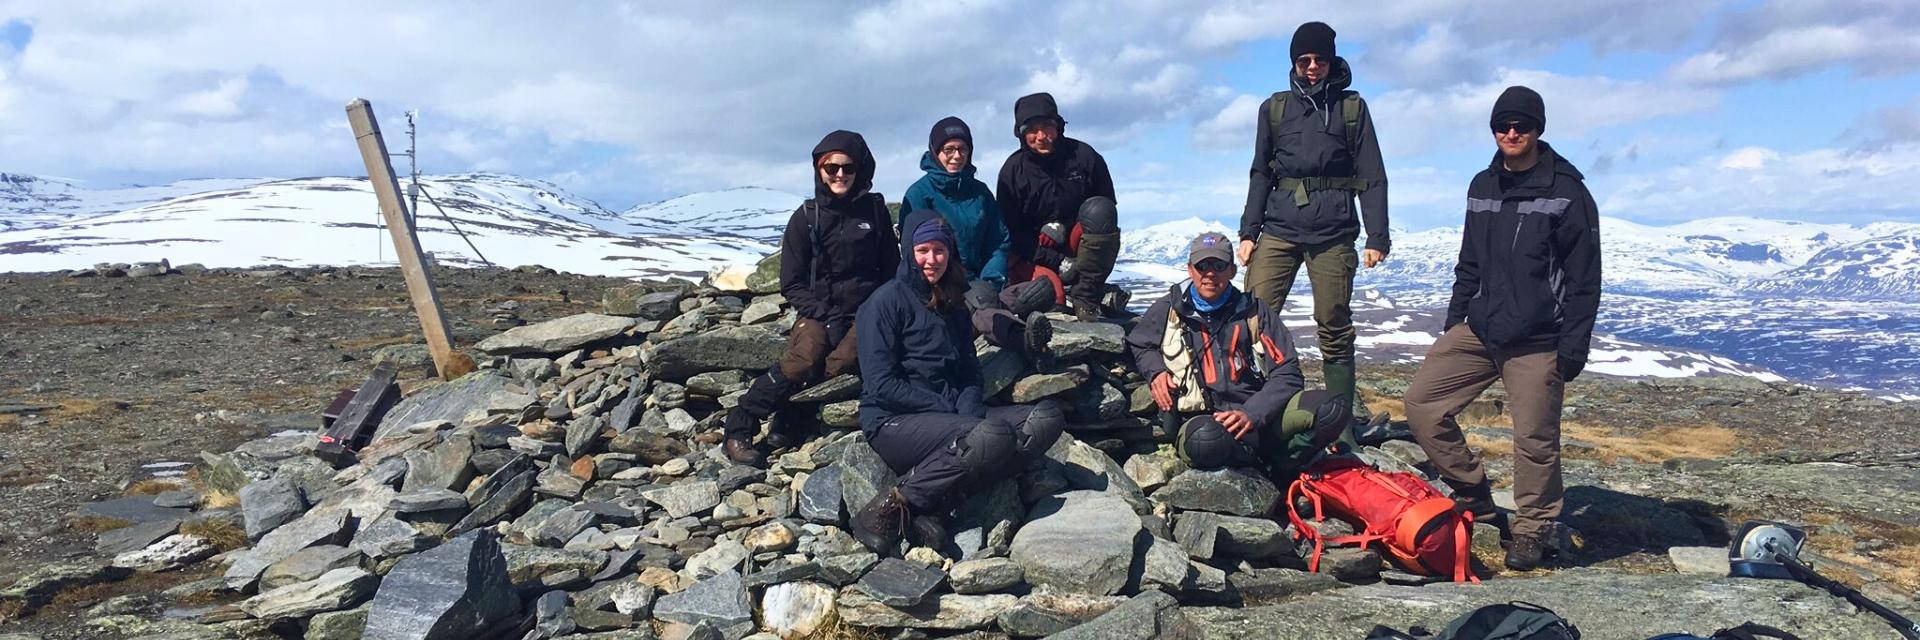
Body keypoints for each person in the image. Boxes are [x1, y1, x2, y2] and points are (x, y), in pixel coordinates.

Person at [1404, 86, 1602, 572]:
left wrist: (1573, 345)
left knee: (1534, 440)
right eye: (1503, 126)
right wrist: (1454, 321)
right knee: (1422, 405)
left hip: (1538, 338)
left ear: (1538, 129)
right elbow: (1469, 261)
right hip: (1481, 328)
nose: (1512, 133)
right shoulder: (1482, 185)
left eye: (1522, 126)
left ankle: (1533, 529)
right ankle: (1473, 491)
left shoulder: (1567, 192)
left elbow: (1584, 278)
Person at [849, 209, 1067, 554]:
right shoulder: (884, 303)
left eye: (939, 250)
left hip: (948, 416)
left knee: (1045, 418)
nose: (931, 259)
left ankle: (939, 502)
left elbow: (968, 371)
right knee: (993, 436)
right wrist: (949, 410)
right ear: (908, 251)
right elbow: (881, 384)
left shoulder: (953, 302)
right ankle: (889, 507)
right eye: (922, 250)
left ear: (950, 253)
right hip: (893, 420)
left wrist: (968, 406)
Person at [1236, 21, 1390, 424]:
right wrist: (1249, 232)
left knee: (1334, 322)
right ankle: (1255, 410)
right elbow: (1260, 173)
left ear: (1331, 61)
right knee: (1253, 315)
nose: (1312, 67)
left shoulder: (1351, 109)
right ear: (1293, 63)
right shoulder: (1274, 109)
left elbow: (1372, 174)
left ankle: (1339, 425)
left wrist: (1378, 236)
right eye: (1304, 60)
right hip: (1280, 228)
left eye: (1320, 59)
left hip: (1333, 233)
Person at [723, 130, 900, 467]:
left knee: (844, 361)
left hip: (866, 312)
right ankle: (740, 425)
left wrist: (876, 312)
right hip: (817, 312)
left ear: (861, 169)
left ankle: (791, 415)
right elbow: (791, 282)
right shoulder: (806, 217)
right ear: (819, 170)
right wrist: (824, 315)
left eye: (848, 168)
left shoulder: (875, 213)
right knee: (804, 359)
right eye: (831, 168)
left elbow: (891, 273)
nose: (839, 175)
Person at [1125, 232, 1353, 479]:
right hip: (1205, 421)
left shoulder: (1255, 311)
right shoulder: (1170, 309)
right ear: (1190, 270)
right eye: (1202, 266)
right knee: (1205, 440)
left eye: (1219, 266)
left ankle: (1282, 466)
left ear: (1232, 271)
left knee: (1333, 408)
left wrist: (1252, 414)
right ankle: (1256, 465)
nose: (1210, 273)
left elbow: (1287, 372)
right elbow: (1140, 343)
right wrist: (1156, 372)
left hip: (1261, 417)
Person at [900, 116, 1055, 362]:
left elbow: (999, 241)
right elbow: (914, 251)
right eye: (949, 149)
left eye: (963, 149)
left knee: (1044, 289)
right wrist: (953, 283)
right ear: (935, 151)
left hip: (981, 280)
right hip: (942, 283)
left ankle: (991, 306)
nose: (956, 156)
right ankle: (1022, 338)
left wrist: (991, 279)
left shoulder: (980, 193)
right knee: (981, 308)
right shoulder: (919, 194)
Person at [996, 92, 1122, 322]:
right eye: (1032, 130)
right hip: (1034, 252)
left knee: (1100, 210)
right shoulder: (1012, 172)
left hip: (1078, 242)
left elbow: (1107, 209)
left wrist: (1065, 233)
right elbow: (1011, 234)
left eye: (1047, 127)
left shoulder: (1084, 156)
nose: (1041, 136)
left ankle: (1087, 295)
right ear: (1021, 134)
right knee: (1054, 300)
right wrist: (1056, 261)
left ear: (1058, 126)